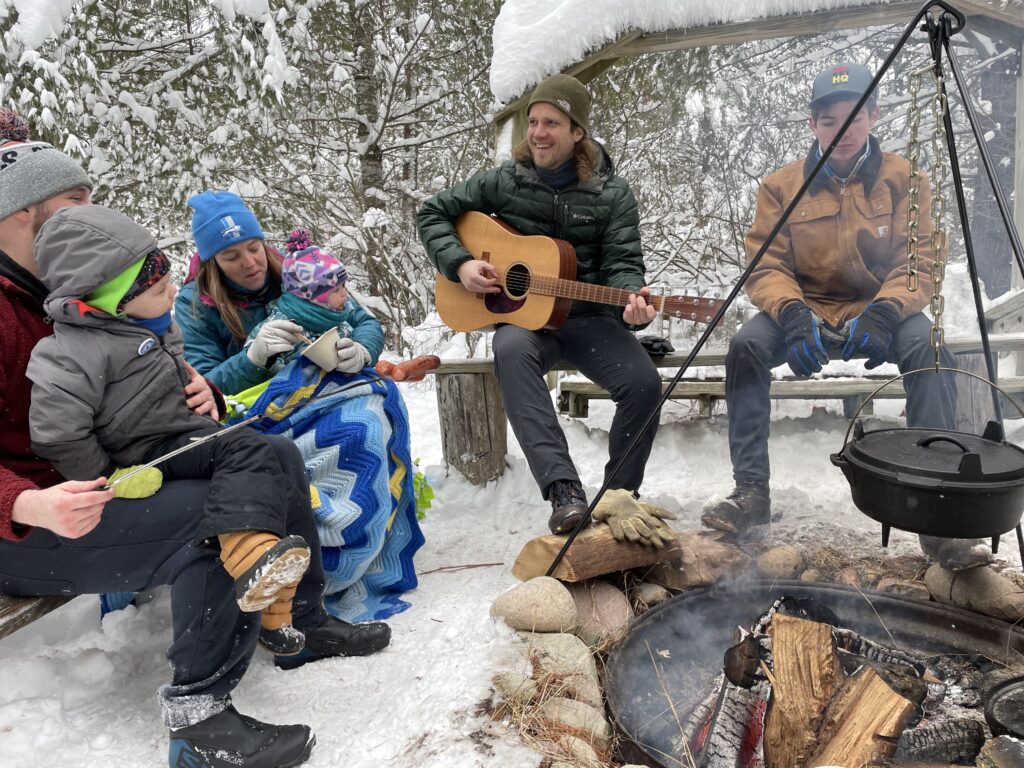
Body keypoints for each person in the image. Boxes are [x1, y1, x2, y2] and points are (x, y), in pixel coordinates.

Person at [0, 113, 389, 768]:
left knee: (272, 456)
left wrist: (195, 391)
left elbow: (139, 368)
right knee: (216, 519)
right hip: (31, 522)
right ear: (21, 217)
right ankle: (199, 721)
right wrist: (28, 505)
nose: (90, 218)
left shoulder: (73, 283)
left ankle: (300, 623)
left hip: (108, 478)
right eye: (74, 206)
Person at [28, 205, 313, 657]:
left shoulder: (154, 322)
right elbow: (57, 432)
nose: (169, 295)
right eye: (159, 289)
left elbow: (181, 375)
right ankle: (248, 555)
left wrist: (208, 396)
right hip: (145, 454)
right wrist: (107, 476)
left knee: (275, 455)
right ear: (113, 298)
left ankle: (293, 616)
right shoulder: (69, 353)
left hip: (180, 434)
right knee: (248, 450)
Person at [700, 62, 963, 548]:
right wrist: (794, 314)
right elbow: (766, 266)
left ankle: (935, 504)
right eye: (829, 120)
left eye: (854, 116)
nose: (843, 130)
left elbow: (920, 260)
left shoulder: (907, 179)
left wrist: (886, 310)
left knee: (930, 346)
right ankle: (751, 491)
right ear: (812, 124)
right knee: (746, 347)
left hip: (881, 306)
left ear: (873, 116)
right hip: (807, 307)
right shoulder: (780, 188)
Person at [417, 74, 672, 539]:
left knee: (643, 384)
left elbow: (623, 264)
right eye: (532, 121)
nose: (537, 132)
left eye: (551, 122)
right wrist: (461, 265)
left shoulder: (611, 195)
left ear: (578, 132)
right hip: (527, 324)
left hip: (589, 319)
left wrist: (631, 302)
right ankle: (564, 492)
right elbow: (432, 212)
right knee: (511, 350)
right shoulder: (503, 182)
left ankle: (620, 495)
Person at [176, 191, 424, 622]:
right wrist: (251, 360)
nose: (250, 263)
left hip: (323, 394)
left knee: (373, 413)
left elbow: (363, 320)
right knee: (349, 431)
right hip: (257, 419)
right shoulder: (196, 305)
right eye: (232, 256)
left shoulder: (300, 269)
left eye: (254, 248)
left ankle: (363, 546)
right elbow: (204, 387)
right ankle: (315, 564)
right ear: (212, 261)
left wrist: (362, 351)